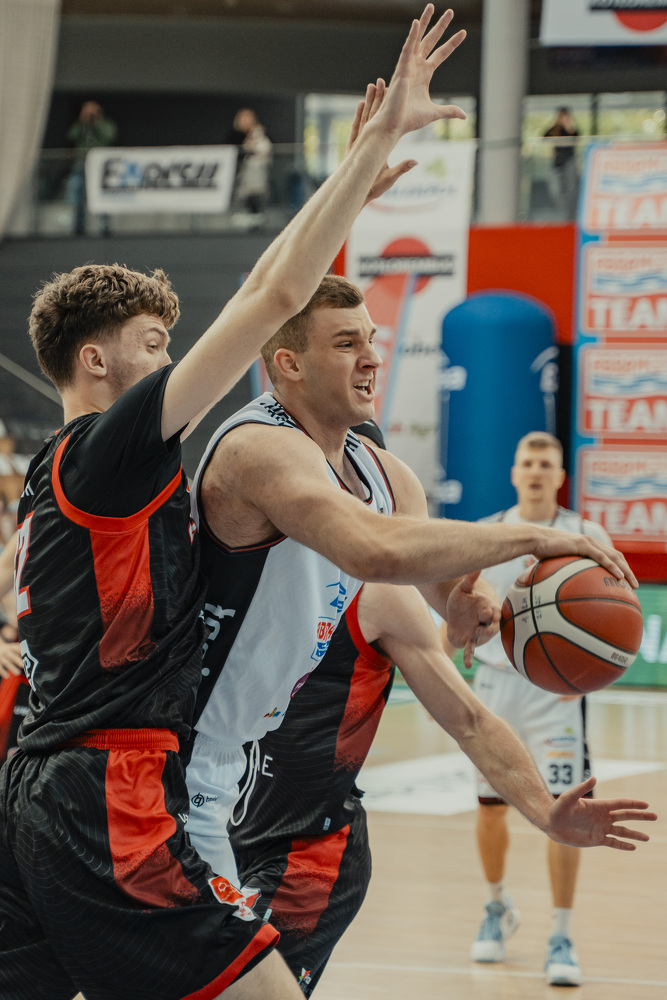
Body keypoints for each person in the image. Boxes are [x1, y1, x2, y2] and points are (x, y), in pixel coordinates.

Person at [0, 8, 475, 998]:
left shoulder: (59, 476)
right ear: (95, 361)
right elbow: (268, 299)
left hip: (42, 781)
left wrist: (344, 195)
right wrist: (369, 152)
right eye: (152, 347)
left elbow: (294, 312)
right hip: (110, 788)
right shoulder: (110, 450)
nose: (169, 364)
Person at [229, 578, 654, 995]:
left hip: (305, 856)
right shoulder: (235, 566)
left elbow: (472, 721)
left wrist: (543, 809)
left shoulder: (378, 596)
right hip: (215, 836)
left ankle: (548, 926)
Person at [442, 431, 614, 987]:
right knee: (490, 807)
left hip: (558, 697)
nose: (536, 471)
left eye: (546, 463)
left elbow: (616, 618)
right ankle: (496, 906)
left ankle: (561, 933)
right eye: (528, 462)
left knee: (567, 811)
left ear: (560, 476)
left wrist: (587, 675)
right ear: (514, 472)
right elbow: (457, 622)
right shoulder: (487, 534)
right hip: (497, 687)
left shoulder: (587, 535)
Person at [65, 100, 118, 236]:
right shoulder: (81, 126)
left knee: (103, 195)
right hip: (81, 163)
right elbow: (71, 136)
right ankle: (78, 227)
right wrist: (82, 121)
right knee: (78, 193)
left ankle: (105, 227)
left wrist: (97, 122)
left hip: (99, 166)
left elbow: (109, 136)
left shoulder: (105, 125)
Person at [231, 108, 273, 225]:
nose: (246, 121)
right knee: (242, 197)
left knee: (256, 198)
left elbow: (266, 150)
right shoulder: (235, 136)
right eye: (243, 119)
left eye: (248, 118)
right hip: (239, 174)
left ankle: (257, 219)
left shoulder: (261, 136)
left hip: (257, 174)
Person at [544, 107, 579, 219]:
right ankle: (562, 213)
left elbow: (575, 138)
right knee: (556, 190)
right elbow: (544, 136)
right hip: (557, 162)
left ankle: (570, 214)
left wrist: (568, 126)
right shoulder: (555, 130)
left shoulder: (572, 130)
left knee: (571, 189)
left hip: (569, 161)